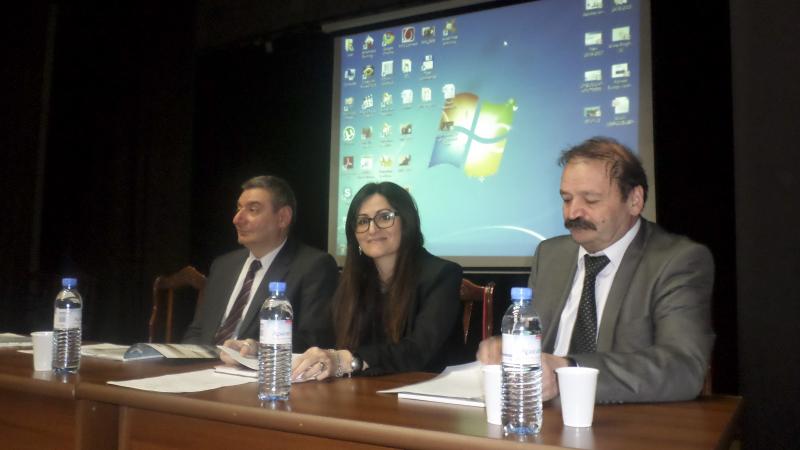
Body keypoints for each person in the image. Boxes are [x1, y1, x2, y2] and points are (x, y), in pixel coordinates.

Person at [477, 136, 715, 403]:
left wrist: (569, 371)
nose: (572, 213)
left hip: (626, 418)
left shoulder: (676, 261)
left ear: (635, 200)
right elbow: (538, 349)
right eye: (566, 199)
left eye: (590, 200)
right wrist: (508, 349)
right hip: (542, 413)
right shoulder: (551, 255)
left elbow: (682, 368)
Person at [223, 181, 463, 380]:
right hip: (368, 394)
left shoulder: (442, 275)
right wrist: (262, 349)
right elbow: (320, 339)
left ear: (407, 222)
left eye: (385, 217)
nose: (372, 229)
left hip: (430, 397)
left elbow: (418, 351)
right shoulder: (353, 280)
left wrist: (348, 359)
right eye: (363, 221)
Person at [183, 175, 338, 352]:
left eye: (253, 210)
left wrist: (257, 348)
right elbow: (198, 330)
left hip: (260, 366)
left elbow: (312, 341)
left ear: (282, 217)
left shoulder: (314, 266)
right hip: (205, 365)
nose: (237, 219)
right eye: (238, 208)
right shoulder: (222, 265)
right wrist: (185, 359)